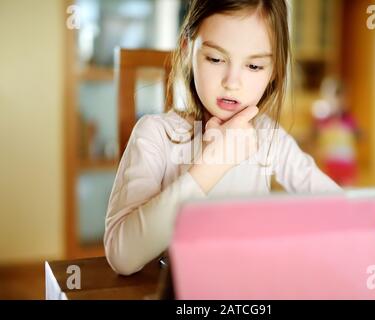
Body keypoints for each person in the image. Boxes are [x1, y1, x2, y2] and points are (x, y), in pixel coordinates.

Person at [104, 0, 341, 276]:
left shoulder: (269, 138)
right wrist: (211, 166)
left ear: (274, 71)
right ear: (187, 51)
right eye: (216, 59)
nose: (232, 81)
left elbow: (339, 212)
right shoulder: (156, 135)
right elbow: (122, 256)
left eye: (253, 66)